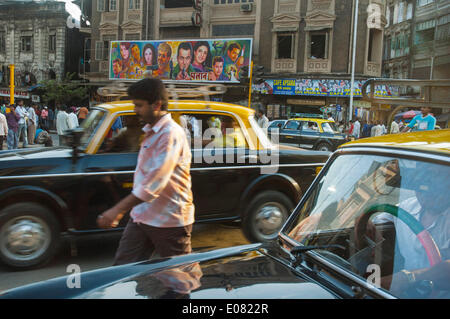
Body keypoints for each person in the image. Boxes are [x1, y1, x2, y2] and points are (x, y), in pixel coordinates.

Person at [97, 78, 195, 265]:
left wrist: (117, 209)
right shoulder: (150, 131)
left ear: (157, 105)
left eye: (139, 105)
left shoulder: (170, 134)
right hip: (142, 216)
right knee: (121, 272)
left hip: (170, 221)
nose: (135, 110)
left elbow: (153, 184)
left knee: (178, 281)